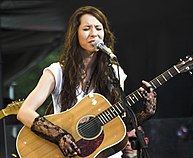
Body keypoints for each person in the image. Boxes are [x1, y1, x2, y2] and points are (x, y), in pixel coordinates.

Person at [17, 5, 157, 157]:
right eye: (86, 29)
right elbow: (24, 112)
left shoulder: (115, 73)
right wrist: (60, 136)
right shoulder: (57, 72)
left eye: (98, 28)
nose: (94, 34)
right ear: (75, 34)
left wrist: (145, 113)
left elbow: (117, 126)